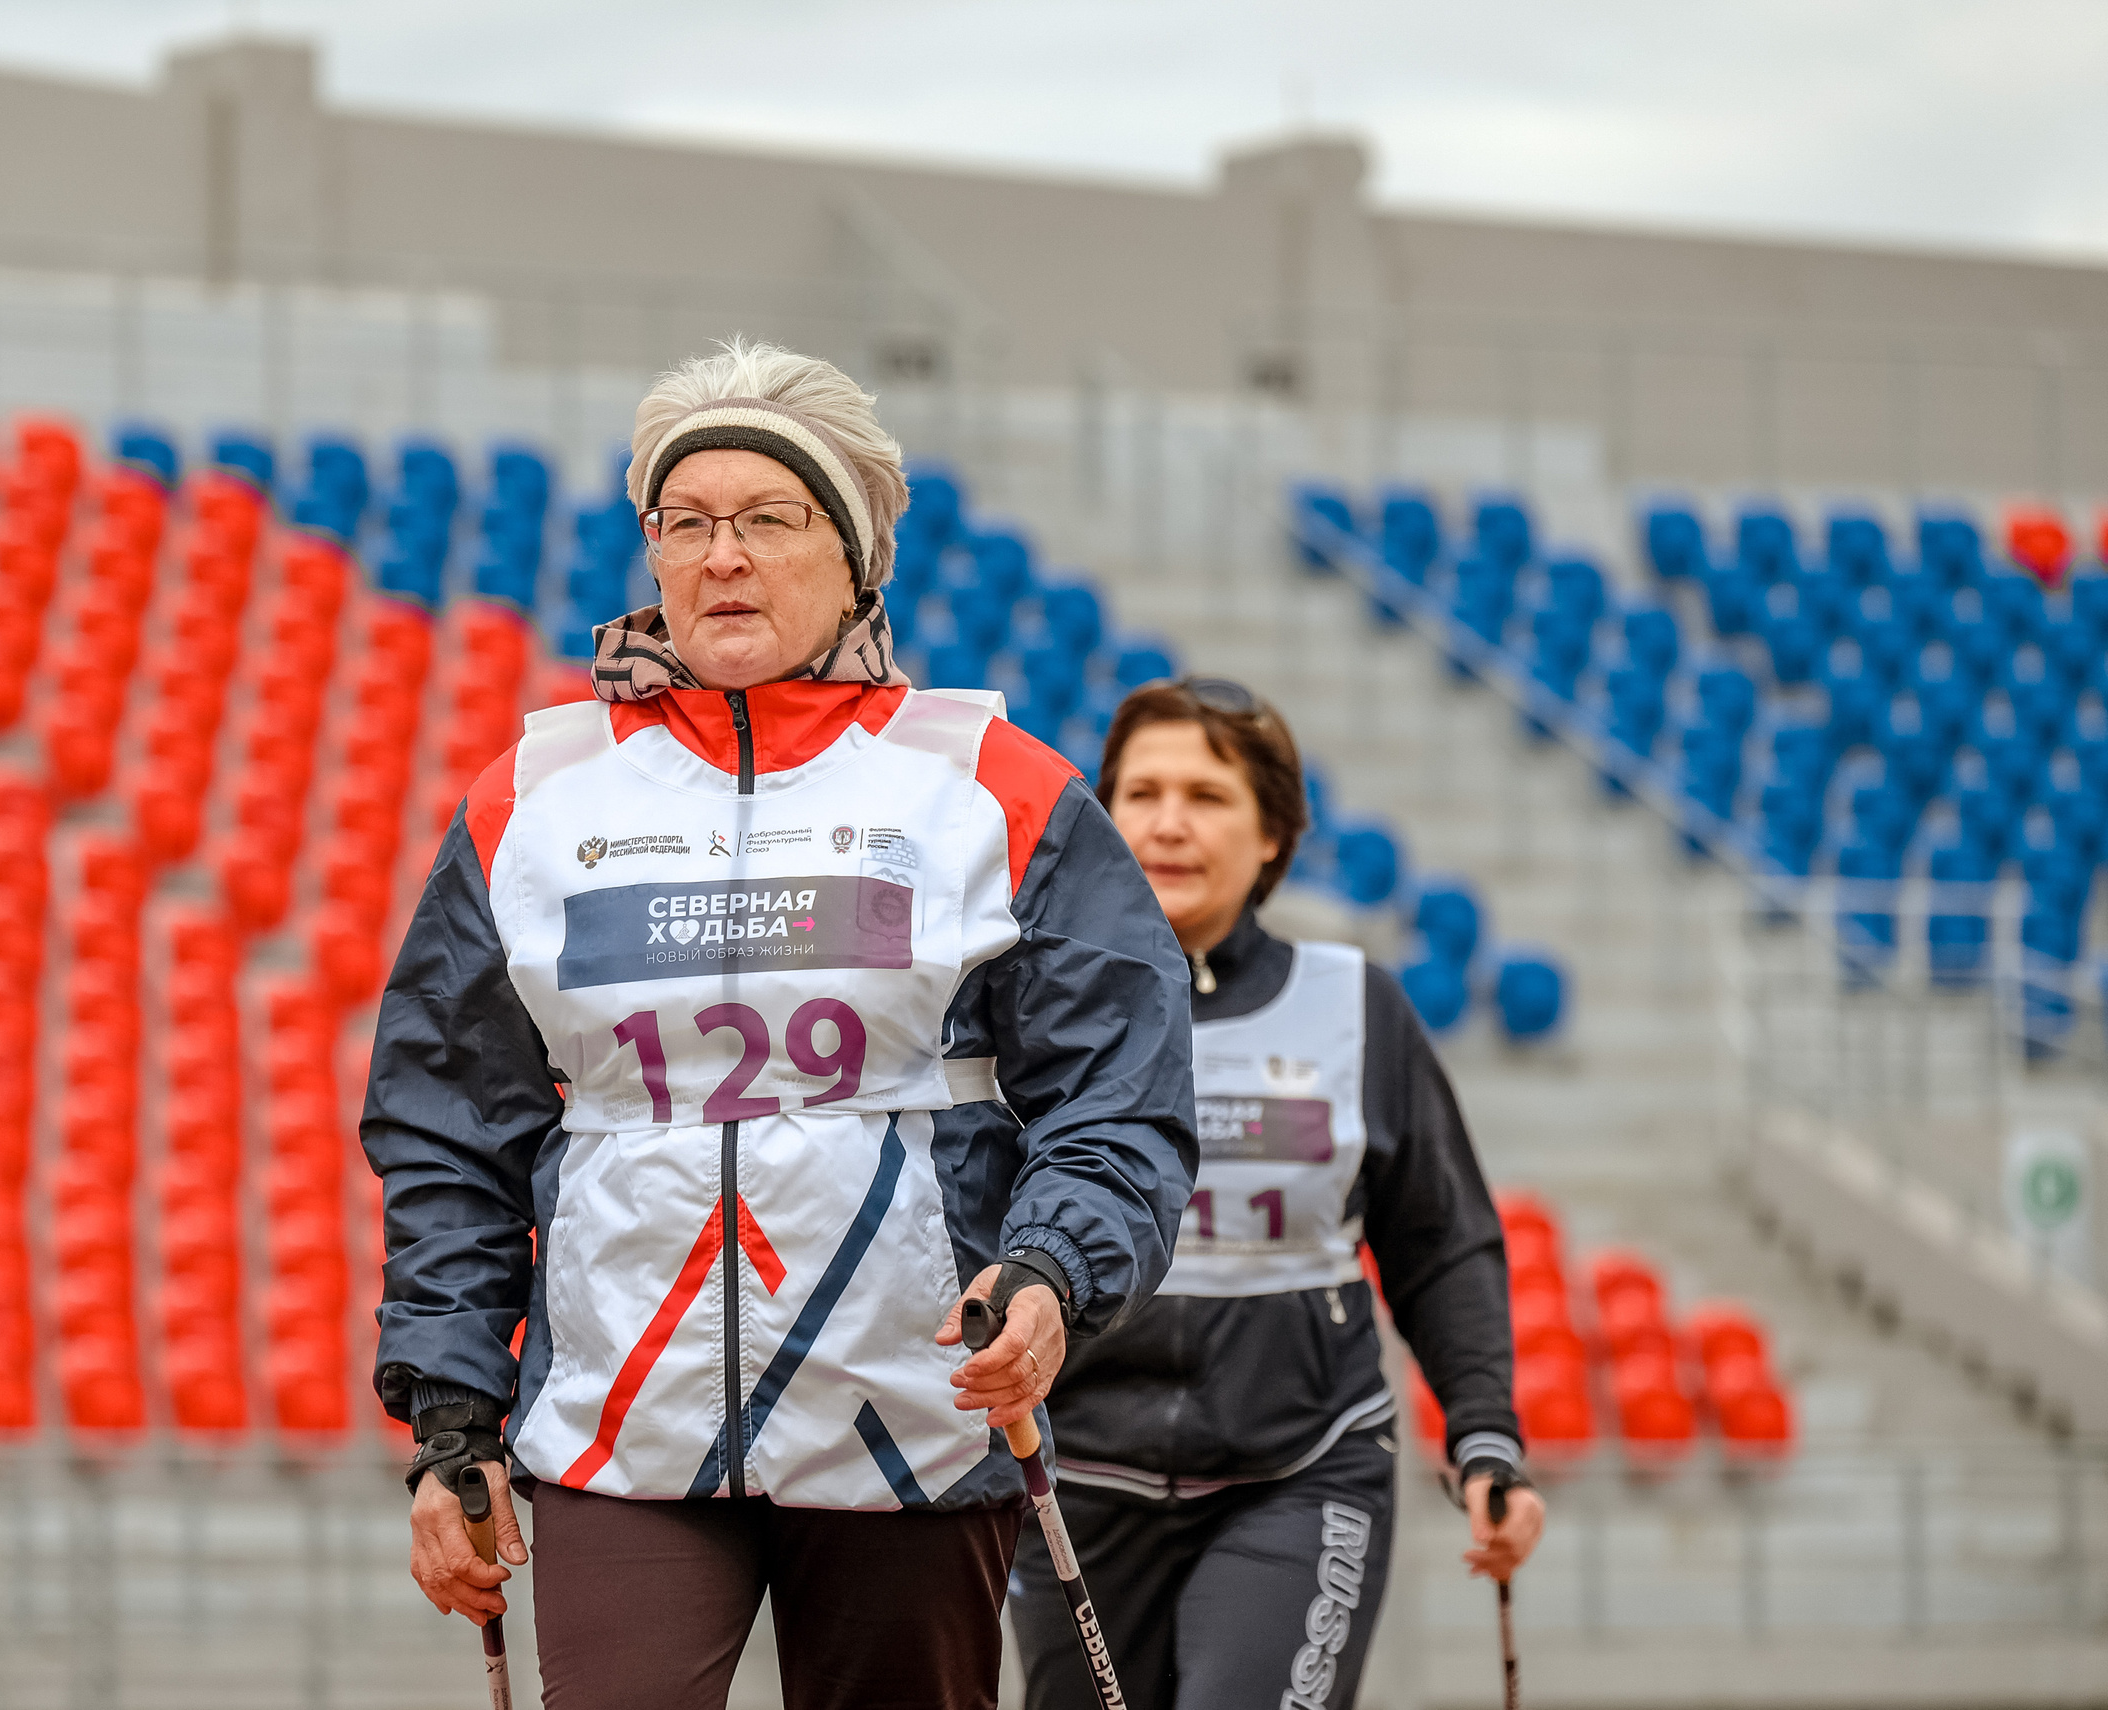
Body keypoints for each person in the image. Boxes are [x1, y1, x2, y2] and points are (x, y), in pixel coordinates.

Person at [361, 337, 1197, 1710]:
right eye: (683, 523)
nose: (721, 555)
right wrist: (453, 1408)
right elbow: (447, 1128)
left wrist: (1051, 1271)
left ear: (856, 551)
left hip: (912, 1414)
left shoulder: (996, 786)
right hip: (620, 1419)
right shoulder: (535, 797)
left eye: (767, 519)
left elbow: (1118, 1096)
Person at [1010, 677, 1544, 1710]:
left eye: (1207, 797)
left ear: (1272, 837)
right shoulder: (1030, 1006)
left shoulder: (1357, 1007)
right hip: (1075, 1479)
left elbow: (1443, 1244)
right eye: (1141, 792)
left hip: (1301, 1471)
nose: (1168, 823)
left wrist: (1485, 1433)